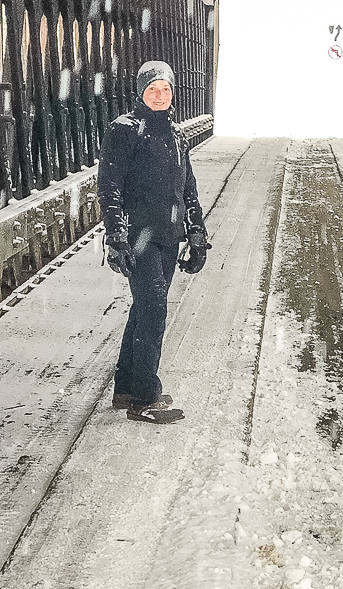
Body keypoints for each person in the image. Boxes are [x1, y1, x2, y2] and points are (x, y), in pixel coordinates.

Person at [98, 60, 211, 424]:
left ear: (172, 93)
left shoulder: (176, 135)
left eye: (165, 90)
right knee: (154, 310)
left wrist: (196, 233)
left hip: (167, 236)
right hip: (136, 236)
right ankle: (145, 398)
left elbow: (187, 188)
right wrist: (116, 237)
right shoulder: (124, 131)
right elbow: (109, 188)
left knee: (145, 307)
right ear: (140, 92)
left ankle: (127, 386)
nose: (159, 96)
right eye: (152, 90)